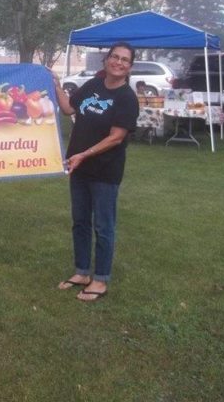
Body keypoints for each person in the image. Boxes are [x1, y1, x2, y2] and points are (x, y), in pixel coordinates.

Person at [52, 42, 139, 302]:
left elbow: (116, 138)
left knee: (103, 227)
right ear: (106, 60)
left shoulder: (126, 98)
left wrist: (83, 154)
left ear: (129, 67)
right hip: (79, 168)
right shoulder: (92, 86)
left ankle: (100, 279)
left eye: (124, 60)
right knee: (80, 222)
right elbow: (69, 108)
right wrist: (56, 84)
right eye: (115, 57)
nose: (118, 62)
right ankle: (81, 272)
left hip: (104, 172)